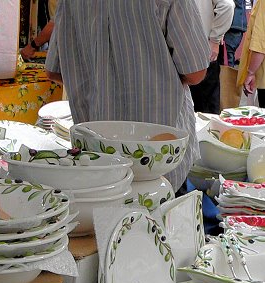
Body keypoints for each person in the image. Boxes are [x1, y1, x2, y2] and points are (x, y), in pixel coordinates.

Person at [45, 0, 209, 192]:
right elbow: (195, 72)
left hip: (97, 158)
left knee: (102, 218)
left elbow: (54, 71)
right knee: (163, 216)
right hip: (157, 160)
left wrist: (99, 79)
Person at [191, 0, 236, 113]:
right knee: (206, 109)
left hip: (174, 48)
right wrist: (215, 38)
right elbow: (227, 6)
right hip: (203, 45)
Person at [220, 0, 250, 110]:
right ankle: (227, 104)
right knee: (227, 64)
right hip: (236, 23)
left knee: (226, 66)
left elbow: (226, 5)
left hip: (230, 25)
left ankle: (226, 105)